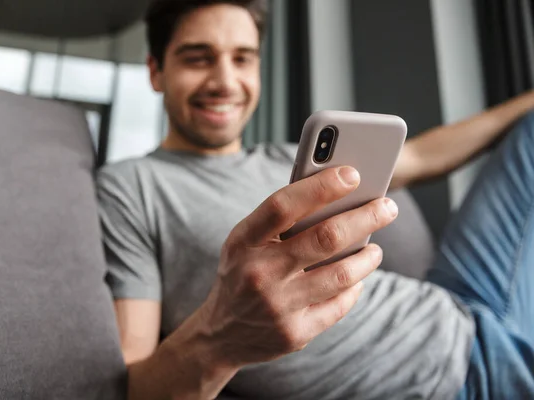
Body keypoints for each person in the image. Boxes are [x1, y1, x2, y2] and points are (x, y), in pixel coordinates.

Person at [96, 0, 534, 398]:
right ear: (156, 71)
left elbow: (419, 156)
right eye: (198, 58)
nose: (225, 81)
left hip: (459, 304)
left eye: (242, 59)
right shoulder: (131, 185)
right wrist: (220, 339)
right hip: (447, 380)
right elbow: (134, 384)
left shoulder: (289, 156)